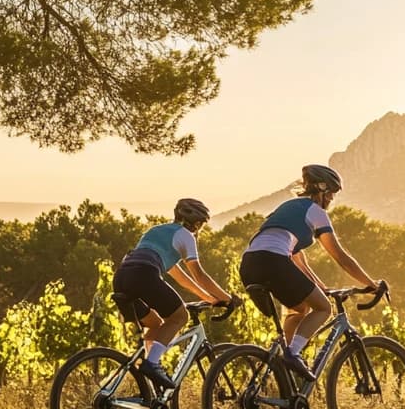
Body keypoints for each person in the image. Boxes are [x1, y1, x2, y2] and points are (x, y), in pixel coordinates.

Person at [238, 164, 379, 381]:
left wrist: (321, 287)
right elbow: (341, 257)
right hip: (274, 261)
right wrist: (372, 284)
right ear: (321, 189)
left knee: (299, 308)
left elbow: (298, 262)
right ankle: (292, 354)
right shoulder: (316, 212)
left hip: (249, 263)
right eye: (331, 193)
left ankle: (283, 364)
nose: (332, 198)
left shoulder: (289, 207)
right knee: (324, 308)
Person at [113, 198, 233, 391]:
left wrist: (210, 299)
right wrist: (228, 298)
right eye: (201, 225)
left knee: (155, 324)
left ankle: (150, 380)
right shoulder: (186, 236)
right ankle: (152, 365)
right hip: (144, 273)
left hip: (122, 276)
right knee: (180, 316)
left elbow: (181, 277)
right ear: (196, 223)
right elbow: (199, 275)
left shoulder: (156, 231)